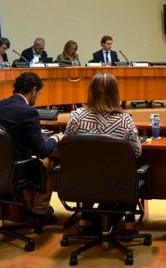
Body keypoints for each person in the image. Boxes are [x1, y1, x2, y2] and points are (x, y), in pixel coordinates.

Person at [63, 72, 142, 234]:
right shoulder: (124, 120)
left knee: (90, 167)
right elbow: (137, 152)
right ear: (116, 93)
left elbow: (67, 147)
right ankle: (128, 227)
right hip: (117, 182)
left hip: (83, 181)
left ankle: (84, 222)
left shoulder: (77, 116)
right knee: (127, 172)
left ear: (90, 91)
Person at [0, 72, 63, 225]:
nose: (37, 97)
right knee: (50, 161)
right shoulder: (28, 112)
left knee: (36, 161)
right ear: (34, 90)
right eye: (38, 94)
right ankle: (39, 212)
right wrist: (56, 137)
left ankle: (27, 206)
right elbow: (42, 150)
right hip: (17, 170)